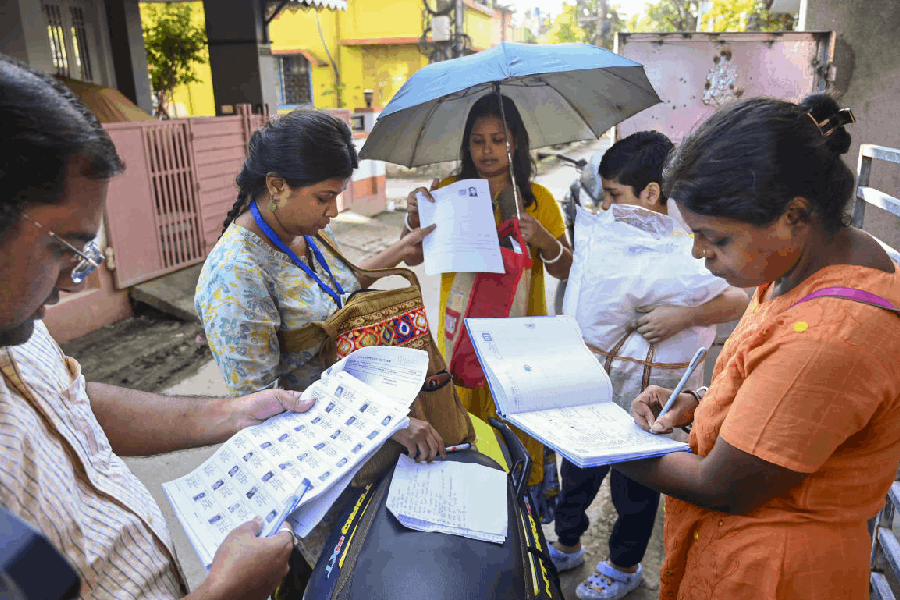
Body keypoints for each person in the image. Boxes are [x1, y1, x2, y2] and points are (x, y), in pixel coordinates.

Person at [0, 54, 307, 600]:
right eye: (61, 248)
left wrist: (227, 413)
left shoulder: (17, 324)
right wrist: (223, 595)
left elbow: (69, 405)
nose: (73, 283)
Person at [614, 94, 900, 600]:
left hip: (775, 574)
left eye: (715, 239)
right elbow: (777, 397)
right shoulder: (797, 267)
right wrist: (700, 407)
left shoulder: (828, 335)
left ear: (793, 215)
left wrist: (600, 449)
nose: (699, 253)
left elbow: (722, 484)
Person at [194, 108, 445, 568]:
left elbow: (331, 295)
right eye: (324, 198)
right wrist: (386, 425)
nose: (332, 212)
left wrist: (395, 253)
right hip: (318, 472)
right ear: (275, 186)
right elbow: (262, 409)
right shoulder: (236, 275)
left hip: (364, 436)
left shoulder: (300, 232)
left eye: (338, 196)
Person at [548, 131, 750, 600]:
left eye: (616, 194)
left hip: (653, 394)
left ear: (651, 193)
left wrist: (685, 314)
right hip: (593, 386)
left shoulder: (689, 249)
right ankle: (567, 541)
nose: (609, 206)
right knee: (576, 471)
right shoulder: (606, 237)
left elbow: (742, 298)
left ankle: (624, 565)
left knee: (635, 485)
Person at [403, 93, 573, 520]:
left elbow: (566, 267)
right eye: (478, 141)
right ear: (467, 145)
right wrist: (414, 218)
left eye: (498, 139)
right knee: (462, 429)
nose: (487, 151)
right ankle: (469, 522)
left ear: (515, 142)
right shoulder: (447, 194)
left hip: (519, 344)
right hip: (459, 342)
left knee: (514, 427)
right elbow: (415, 257)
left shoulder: (538, 201)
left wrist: (544, 241)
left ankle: (521, 525)